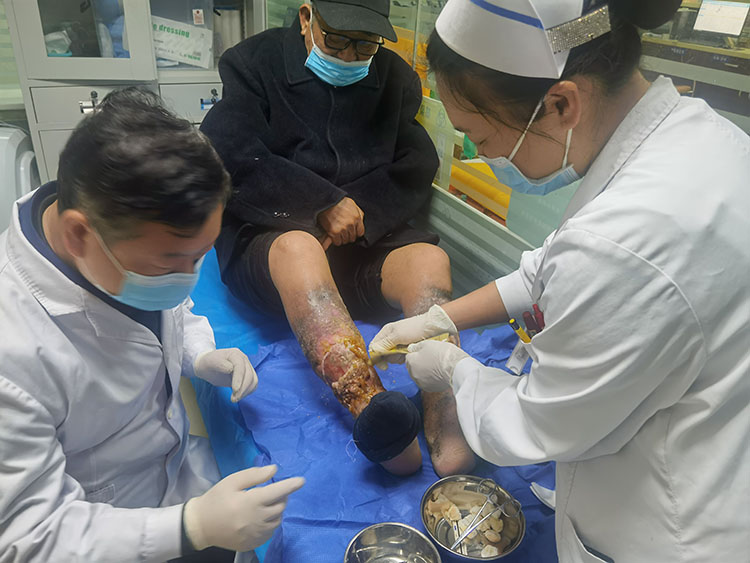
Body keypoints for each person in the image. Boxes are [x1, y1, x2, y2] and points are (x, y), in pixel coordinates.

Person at [369, 0, 750, 561]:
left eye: (480, 136)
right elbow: (547, 268)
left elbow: (532, 422)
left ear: (562, 103)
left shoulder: (630, 240)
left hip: (666, 525)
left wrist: (452, 368)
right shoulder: (694, 135)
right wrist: (440, 318)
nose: (479, 154)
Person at [0, 88, 304, 562]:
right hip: (100, 533)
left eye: (199, 257)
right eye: (170, 265)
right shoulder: (13, 352)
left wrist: (199, 354)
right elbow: (31, 536)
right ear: (79, 234)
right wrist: (190, 527)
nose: (187, 278)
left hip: (173, 475)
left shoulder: (119, 249)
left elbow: (173, 305)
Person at [200, 0, 475, 476]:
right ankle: (372, 408)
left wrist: (355, 213)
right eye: (338, 40)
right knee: (299, 248)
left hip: (365, 238)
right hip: (277, 239)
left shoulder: (394, 78)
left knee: (430, 262)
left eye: (365, 45)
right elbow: (229, 150)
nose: (350, 56)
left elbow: (416, 164)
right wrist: (319, 204)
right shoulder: (251, 64)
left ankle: (444, 404)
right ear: (307, 18)